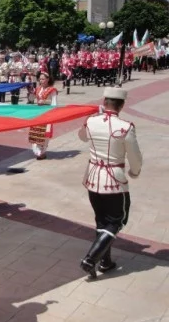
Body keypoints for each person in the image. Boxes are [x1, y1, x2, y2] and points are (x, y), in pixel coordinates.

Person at [78, 87, 142, 279]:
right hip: (114, 180)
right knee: (116, 220)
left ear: (104, 101)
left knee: (101, 220)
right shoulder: (126, 127)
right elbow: (135, 156)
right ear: (121, 105)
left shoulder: (91, 121)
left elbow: (82, 136)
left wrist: (90, 118)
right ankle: (90, 259)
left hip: (93, 178)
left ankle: (105, 261)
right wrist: (135, 172)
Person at [27, 71, 57, 160]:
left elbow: (54, 103)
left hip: (47, 113)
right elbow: (31, 99)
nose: (41, 81)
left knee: (45, 133)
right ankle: (38, 151)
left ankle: (42, 151)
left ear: (48, 80)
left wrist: (44, 102)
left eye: (43, 79)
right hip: (38, 113)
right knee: (35, 131)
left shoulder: (52, 90)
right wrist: (31, 93)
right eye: (40, 79)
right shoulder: (38, 89)